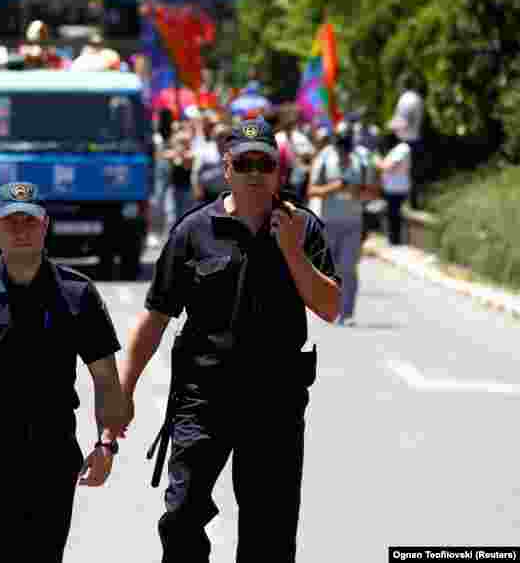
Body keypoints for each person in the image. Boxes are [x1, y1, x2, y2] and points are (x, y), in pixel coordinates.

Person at [120, 118, 341, 563]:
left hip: (275, 400)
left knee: (269, 531)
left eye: (265, 163)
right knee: (181, 516)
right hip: (204, 398)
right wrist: (121, 392)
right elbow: (156, 316)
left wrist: (293, 252)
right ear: (227, 168)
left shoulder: (303, 227)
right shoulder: (193, 231)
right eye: (245, 163)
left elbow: (330, 306)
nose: (255, 173)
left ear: (279, 170)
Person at [0, 181, 132, 563]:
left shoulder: (76, 294)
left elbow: (106, 379)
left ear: (45, 225)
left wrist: (106, 444)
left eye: (29, 220)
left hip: (51, 458)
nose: (20, 229)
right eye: (10, 221)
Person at [307, 121, 378, 326]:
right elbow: (312, 190)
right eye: (340, 144)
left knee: (348, 268)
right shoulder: (325, 158)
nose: (343, 149)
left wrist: (358, 192)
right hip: (329, 223)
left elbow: (373, 191)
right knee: (330, 270)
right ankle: (330, 308)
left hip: (353, 223)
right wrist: (334, 187)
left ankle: (347, 314)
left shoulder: (362, 160)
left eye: (347, 144)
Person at [378, 117, 412, 246]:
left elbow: (388, 166)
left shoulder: (403, 148)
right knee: (392, 215)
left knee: (395, 215)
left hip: (398, 188)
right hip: (391, 187)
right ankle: (393, 241)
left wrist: (378, 163)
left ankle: (397, 242)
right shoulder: (395, 149)